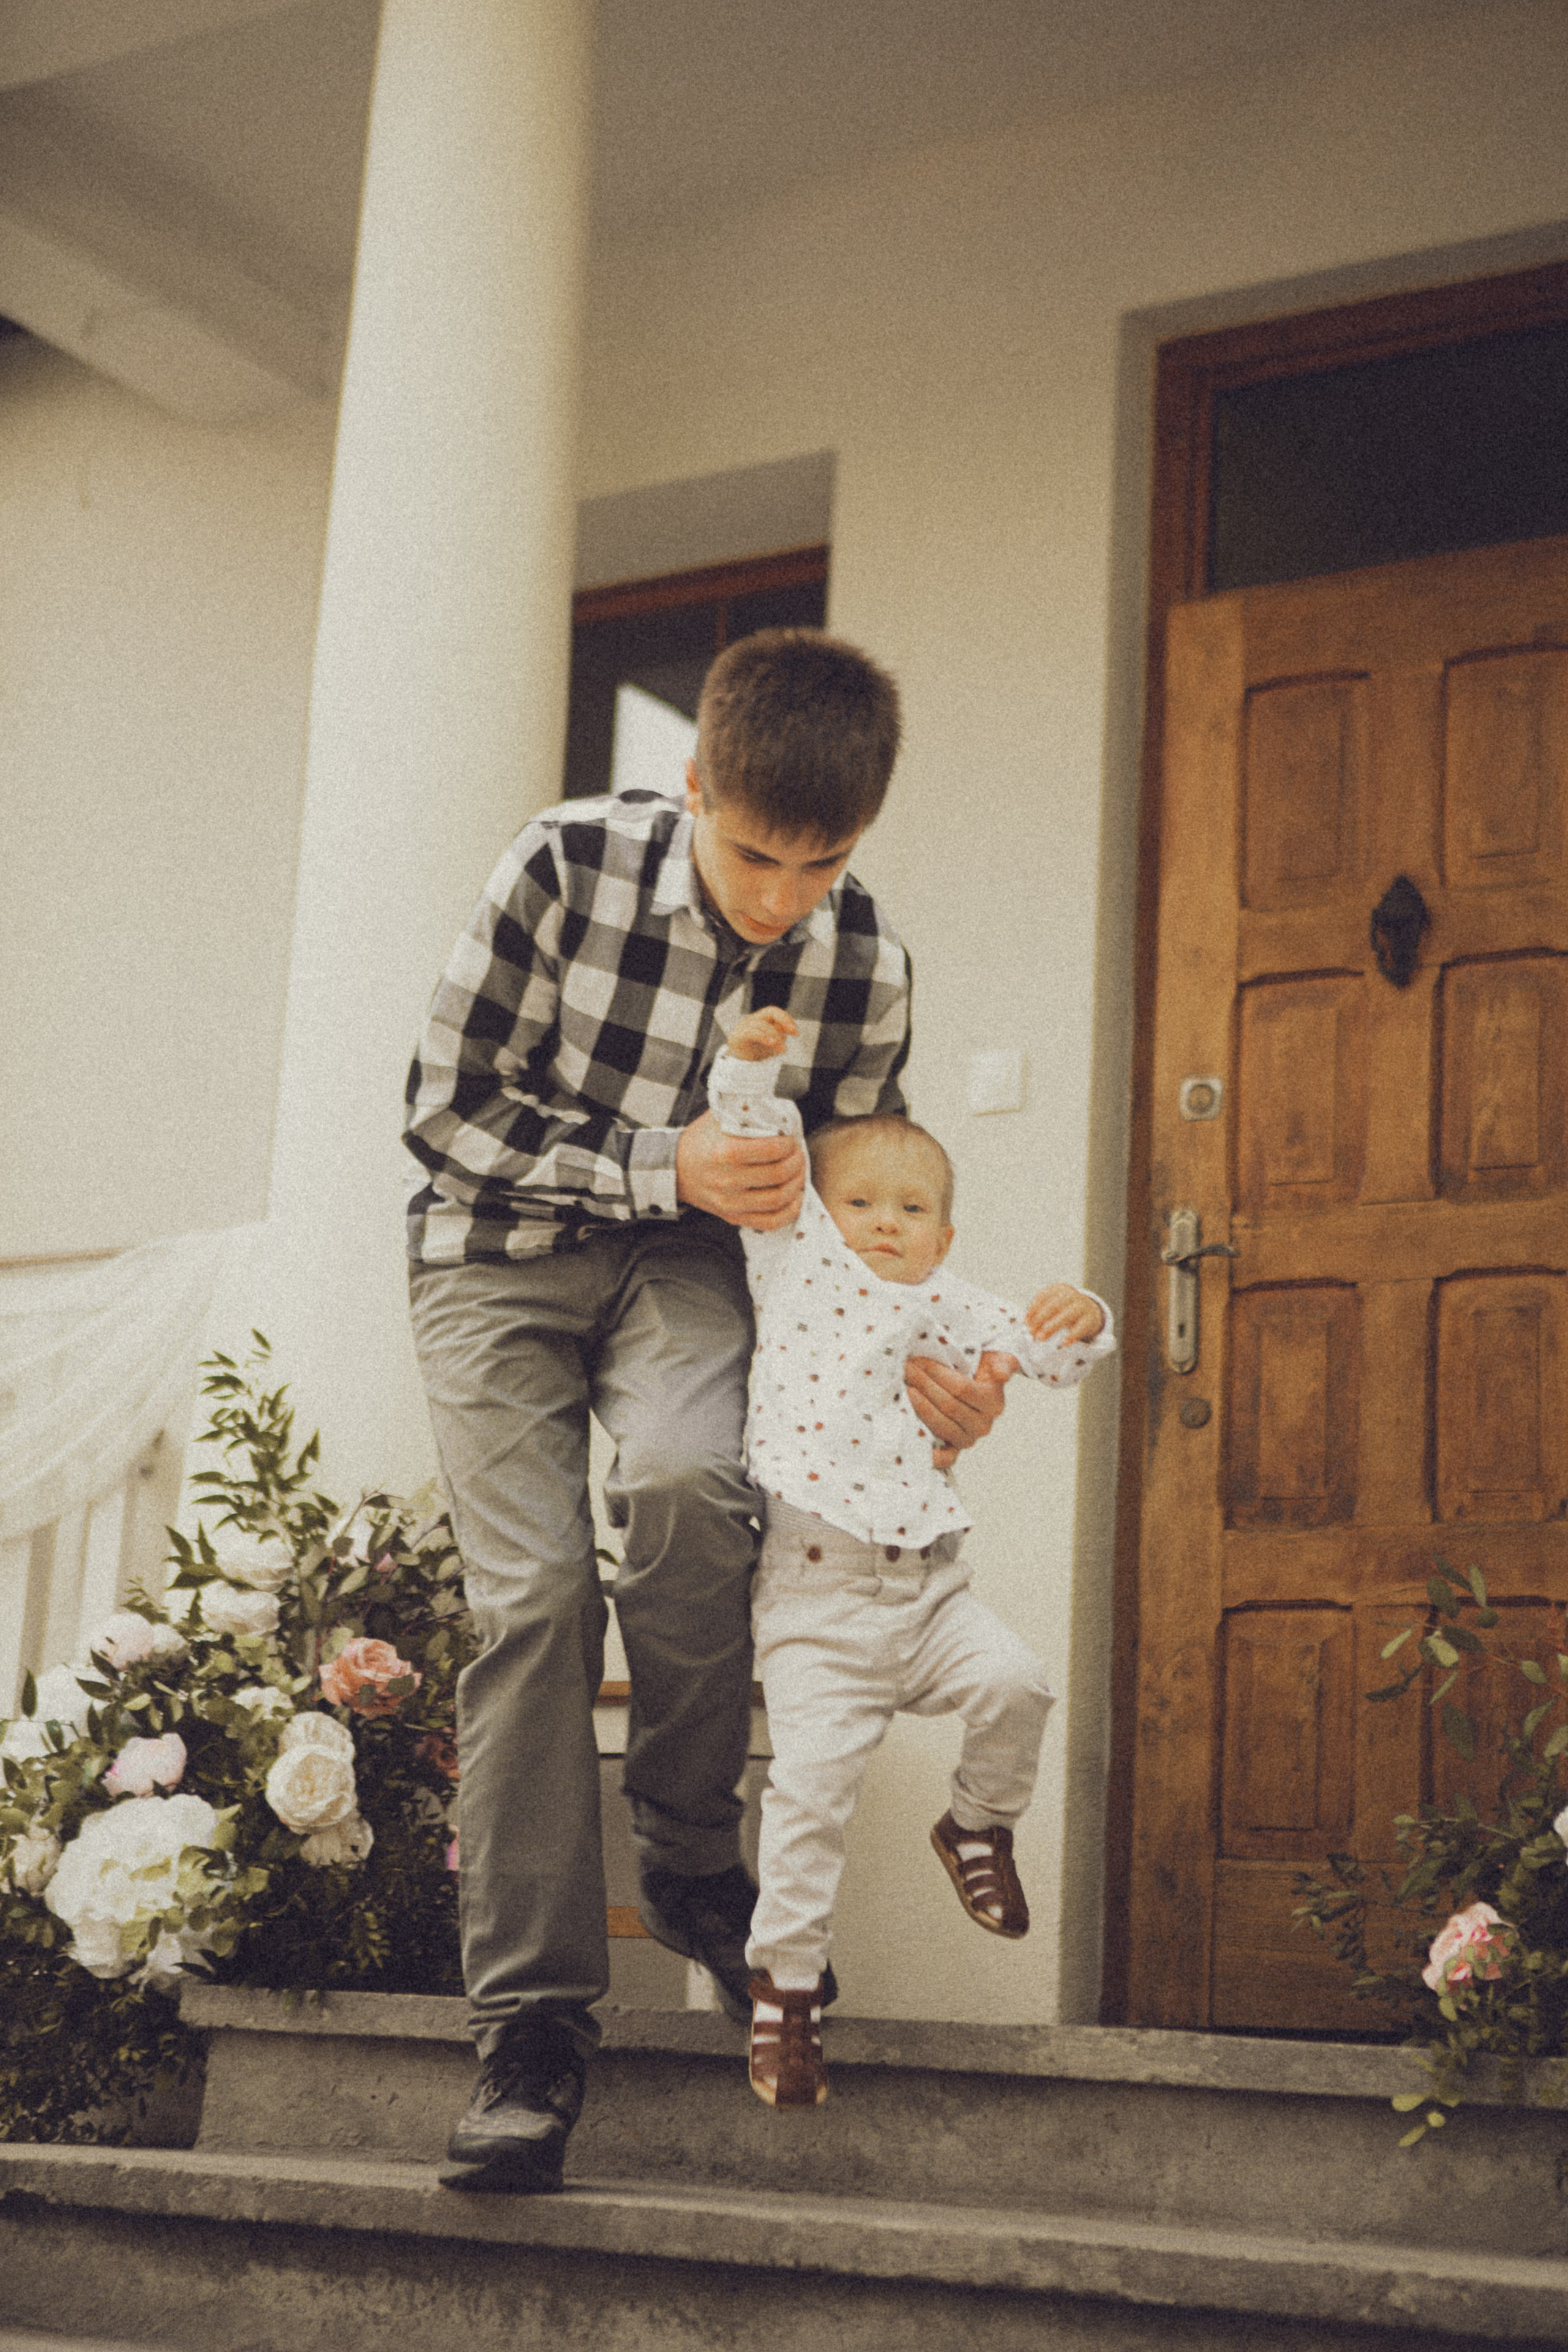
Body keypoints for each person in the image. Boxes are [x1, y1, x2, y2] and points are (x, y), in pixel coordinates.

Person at [403, 628, 1008, 2192]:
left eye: (821, 865)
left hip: (690, 1271)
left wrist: (931, 1388)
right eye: (753, 857)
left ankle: (684, 1857)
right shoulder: (563, 865)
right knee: (535, 1602)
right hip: (494, 1254)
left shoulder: (862, 960)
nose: (779, 899)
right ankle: (531, 2030)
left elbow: (869, 1236)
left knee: (691, 1488)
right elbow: (441, 1112)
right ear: (694, 786)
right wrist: (655, 1161)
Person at [707, 1006, 1115, 2108]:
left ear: (944, 1236)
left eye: (913, 1209)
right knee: (810, 1796)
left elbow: (1046, 1353)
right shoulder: (795, 1265)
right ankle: (787, 1995)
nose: (886, 1223)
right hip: (817, 1599)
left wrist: (1085, 1318)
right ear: (816, 1213)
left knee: (1020, 1683)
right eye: (861, 1204)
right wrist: (748, 1064)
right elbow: (753, 1134)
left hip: (929, 1589)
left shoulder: (947, 1303)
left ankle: (976, 1823)